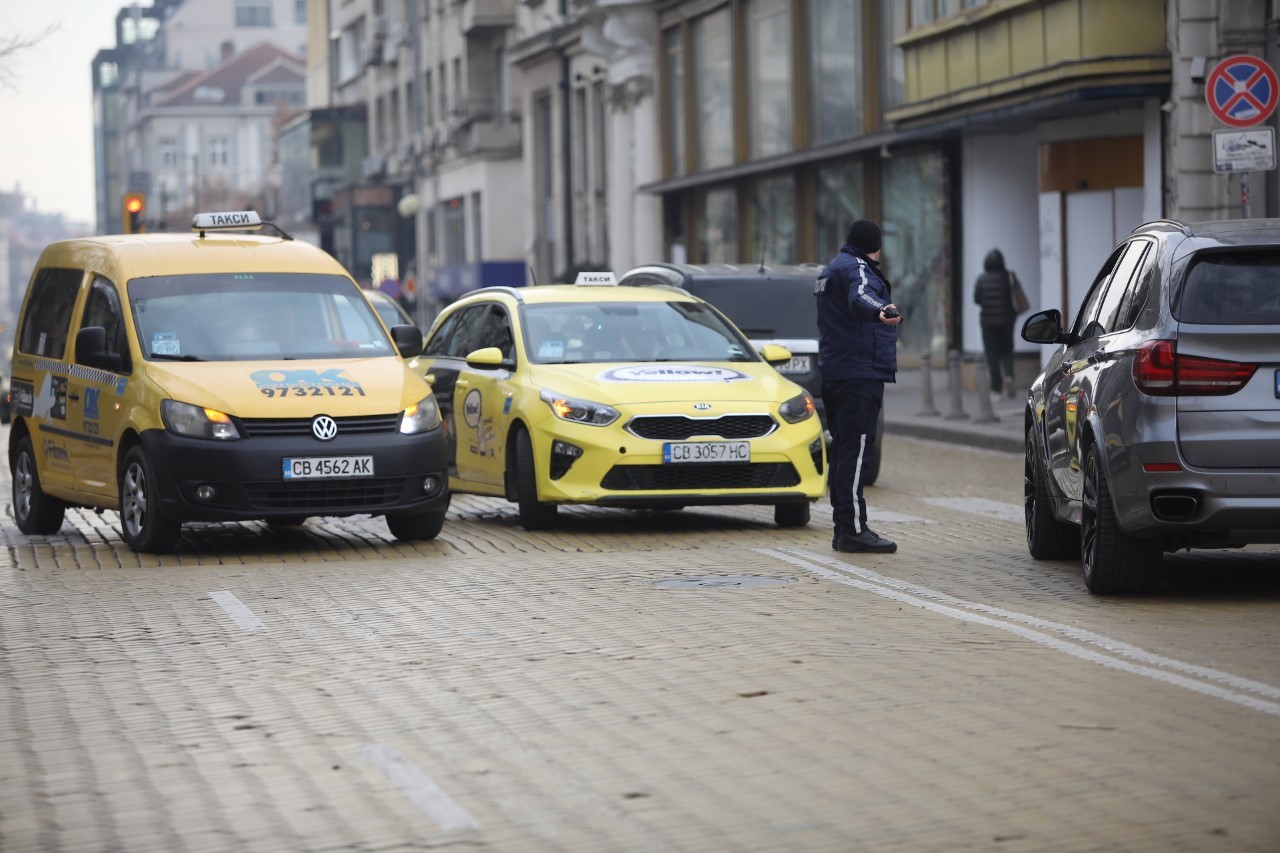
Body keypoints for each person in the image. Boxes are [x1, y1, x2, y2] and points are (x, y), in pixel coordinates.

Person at [816, 218, 902, 554]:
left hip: (838, 373)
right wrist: (882, 309)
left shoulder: (831, 269)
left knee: (843, 450)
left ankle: (845, 527)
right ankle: (852, 530)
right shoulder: (857, 268)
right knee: (855, 452)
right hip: (859, 375)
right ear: (875, 246)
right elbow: (862, 295)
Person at [973, 248, 1018, 399]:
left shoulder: (981, 279)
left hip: (988, 323)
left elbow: (977, 299)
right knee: (1007, 351)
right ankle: (1009, 376)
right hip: (1007, 320)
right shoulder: (1008, 277)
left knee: (992, 356)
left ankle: (996, 390)